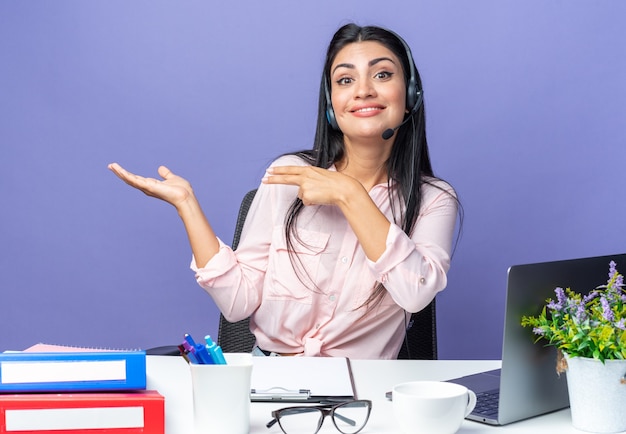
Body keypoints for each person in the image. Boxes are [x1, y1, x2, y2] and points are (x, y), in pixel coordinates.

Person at [108, 23, 459, 359]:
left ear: (410, 94)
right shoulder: (289, 175)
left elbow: (416, 292)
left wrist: (349, 194)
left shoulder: (434, 199)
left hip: (360, 392)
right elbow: (237, 302)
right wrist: (186, 205)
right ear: (331, 103)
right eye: (346, 79)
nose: (363, 90)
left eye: (382, 75)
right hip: (270, 382)